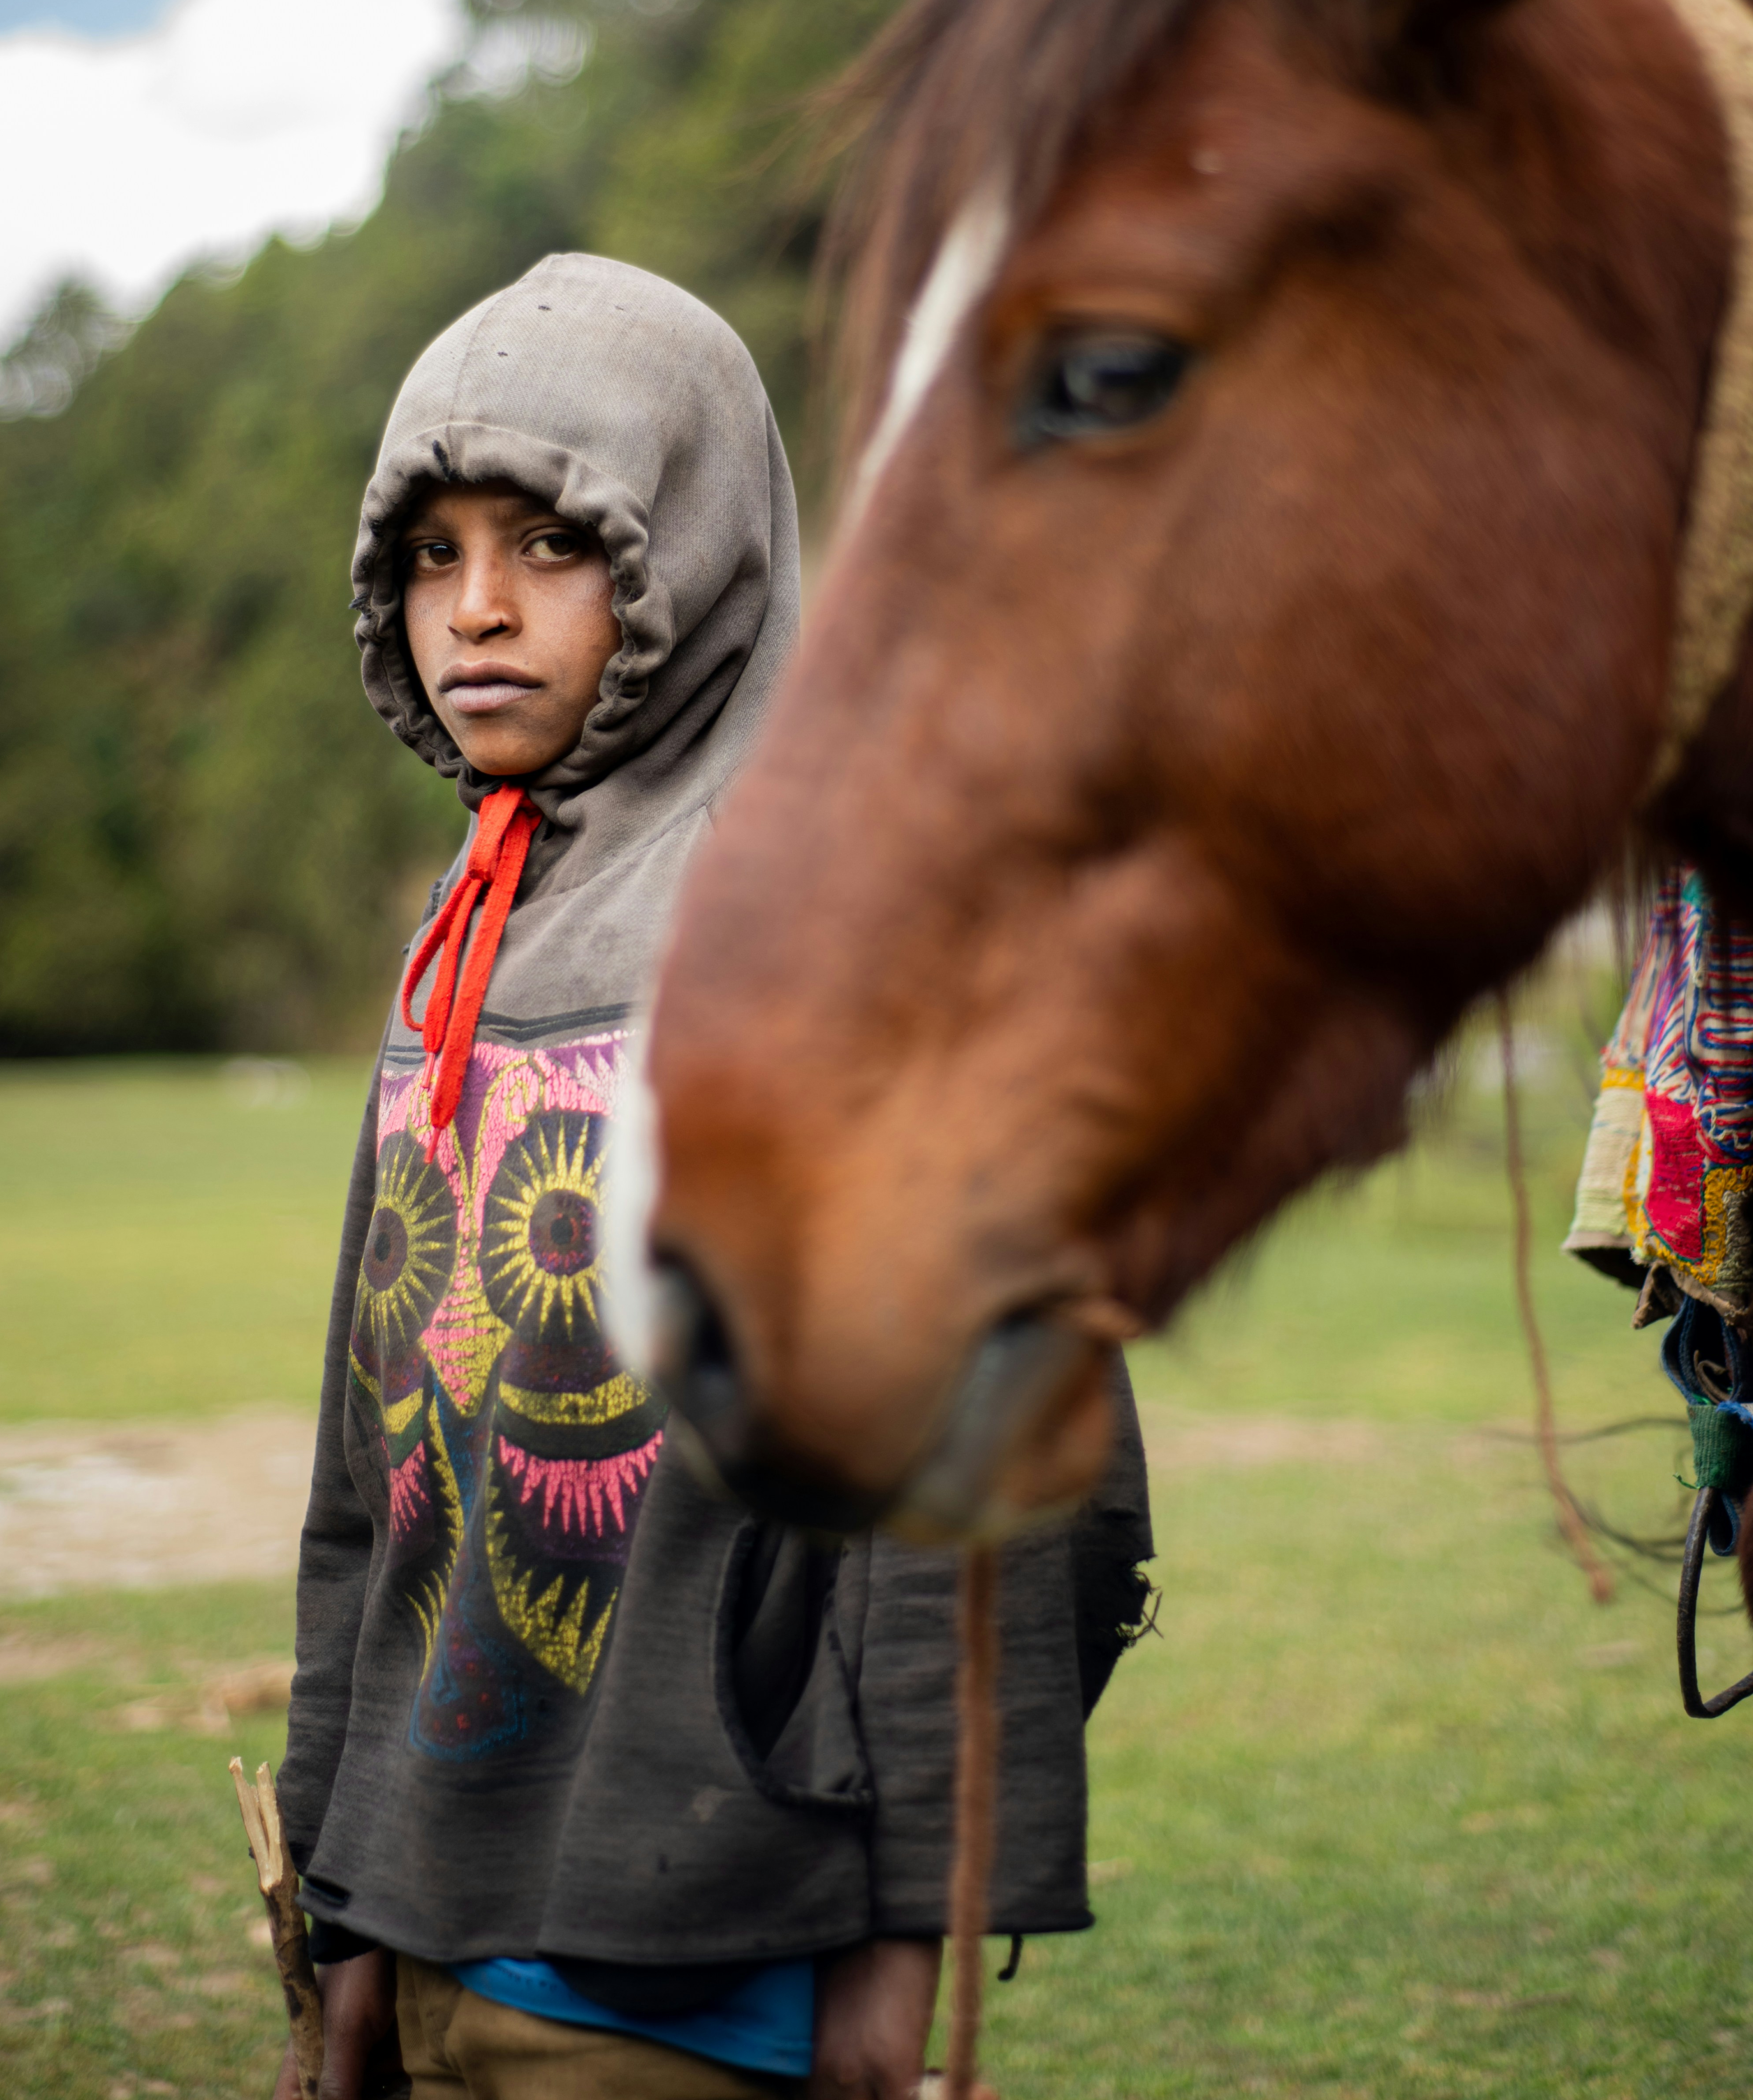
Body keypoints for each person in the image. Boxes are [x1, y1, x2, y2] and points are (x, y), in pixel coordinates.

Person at [273, 253, 1153, 2100]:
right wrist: (344, 1912)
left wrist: (904, 1951)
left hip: (705, 1983)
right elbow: (374, 1488)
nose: (479, 611)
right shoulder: (465, 931)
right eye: (431, 553)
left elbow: (985, 1507)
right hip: (434, 1932)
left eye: (551, 543)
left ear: (693, 551)